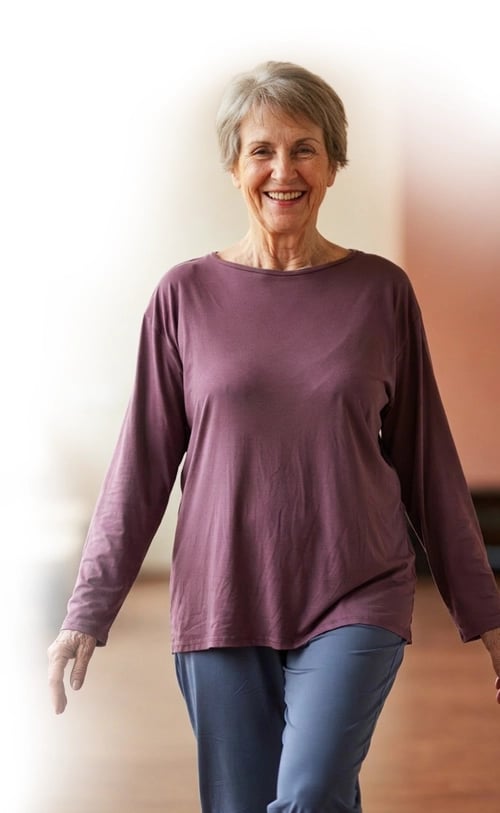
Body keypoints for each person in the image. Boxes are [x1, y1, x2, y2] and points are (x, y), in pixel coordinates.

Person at [48, 60, 500, 813]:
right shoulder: (183, 296)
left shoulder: (380, 292)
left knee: (313, 790)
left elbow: (428, 464)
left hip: (356, 587)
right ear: (234, 165)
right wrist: (85, 614)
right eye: (262, 150)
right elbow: (140, 470)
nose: (282, 170)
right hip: (222, 594)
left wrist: (485, 614)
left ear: (332, 164)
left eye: (304, 148)